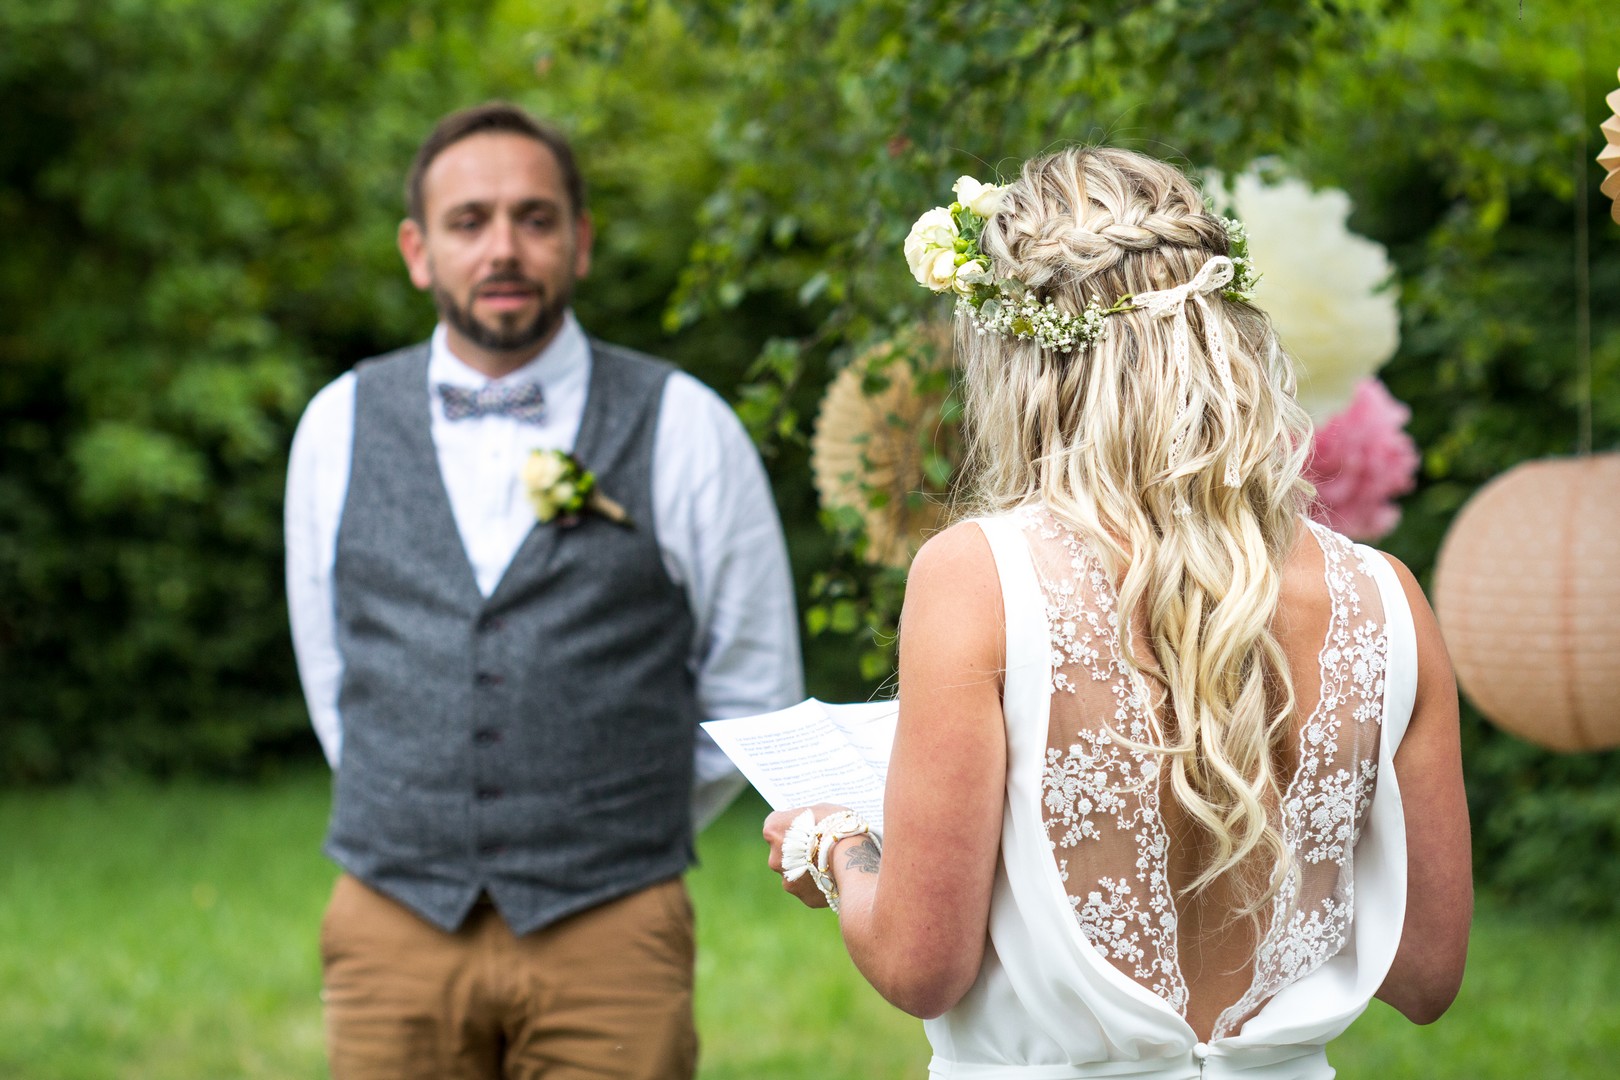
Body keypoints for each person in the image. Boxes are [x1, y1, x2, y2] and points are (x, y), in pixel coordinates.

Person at [764, 147, 1471, 1078]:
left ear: (1021, 367)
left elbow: (920, 965)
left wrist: (836, 844)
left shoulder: (977, 577)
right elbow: (1426, 975)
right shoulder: (1385, 598)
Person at [285, 101, 802, 1080]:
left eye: (534, 218)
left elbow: (755, 687)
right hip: (392, 921)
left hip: (613, 922)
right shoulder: (337, 423)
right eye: (468, 221)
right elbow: (330, 663)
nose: (503, 249)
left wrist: (619, 826)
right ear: (418, 251)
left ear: (580, 241)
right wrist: (419, 811)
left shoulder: (686, 423)